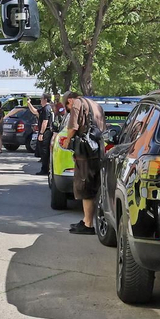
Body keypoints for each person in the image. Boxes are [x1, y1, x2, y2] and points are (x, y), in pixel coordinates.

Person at [63, 91, 104, 234]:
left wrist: (67, 140)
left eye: (67, 108)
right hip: (97, 150)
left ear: (69, 100)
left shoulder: (77, 103)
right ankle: (87, 220)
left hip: (86, 153)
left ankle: (88, 225)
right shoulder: (95, 105)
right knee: (93, 187)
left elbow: (73, 127)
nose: (69, 109)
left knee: (84, 187)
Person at [36, 96, 56, 174]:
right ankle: (46, 169)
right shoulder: (46, 108)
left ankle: (45, 169)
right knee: (44, 151)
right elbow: (35, 111)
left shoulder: (46, 109)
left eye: (41, 98)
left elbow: (45, 122)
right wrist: (29, 104)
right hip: (47, 131)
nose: (40, 100)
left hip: (46, 132)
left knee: (44, 151)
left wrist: (41, 133)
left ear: (45, 99)